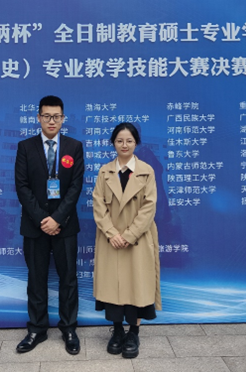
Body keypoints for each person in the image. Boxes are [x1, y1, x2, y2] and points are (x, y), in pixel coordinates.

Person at [14, 95, 85, 355]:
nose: (51, 121)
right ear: (38, 118)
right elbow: (22, 186)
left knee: (68, 279)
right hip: (35, 226)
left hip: (65, 225)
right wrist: (42, 219)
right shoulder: (25, 147)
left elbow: (76, 186)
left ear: (63, 118)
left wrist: (58, 218)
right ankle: (37, 329)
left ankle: (69, 329)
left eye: (56, 116)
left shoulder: (74, 146)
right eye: (46, 116)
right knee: (36, 278)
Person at [92, 122, 161, 359]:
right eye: (120, 141)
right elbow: (98, 205)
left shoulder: (146, 171)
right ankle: (117, 331)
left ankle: (133, 333)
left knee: (137, 286)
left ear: (136, 143)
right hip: (110, 240)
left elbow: (149, 207)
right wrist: (112, 233)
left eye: (129, 141)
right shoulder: (104, 172)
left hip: (137, 239)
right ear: (113, 143)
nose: (124, 145)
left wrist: (129, 235)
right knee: (113, 286)